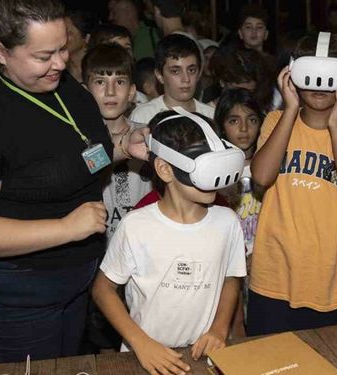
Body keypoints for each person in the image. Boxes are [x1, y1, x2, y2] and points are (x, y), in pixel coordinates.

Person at [0, 0, 148, 363]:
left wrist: (122, 147)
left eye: (63, 48)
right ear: (0, 51)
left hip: (71, 280)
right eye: (44, 55)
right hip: (11, 293)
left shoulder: (63, 87)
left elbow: (78, 155)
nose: (61, 63)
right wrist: (66, 228)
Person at [92, 110, 246, 375]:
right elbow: (103, 290)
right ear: (164, 169)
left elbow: (231, 277)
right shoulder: (136, 226)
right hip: (145, 356)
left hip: (201, 354)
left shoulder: (228, 222)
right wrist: (140, 343)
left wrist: (219, 329)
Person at [248, 33, 337, 334]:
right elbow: (262, 176)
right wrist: (290, 110)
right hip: (272, 276)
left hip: (326, 279)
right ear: (292, 74)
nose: (319, 85)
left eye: (329, 75)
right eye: (310, 74)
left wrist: (336, 128)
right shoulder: (274, 122)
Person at [82, 44, 152, 238]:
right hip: (95, 245)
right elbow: (86, 164)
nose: (110, 91)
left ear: (131, 92)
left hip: (144, 241)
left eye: (119, 82)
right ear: (85, 91)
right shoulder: (77, 139)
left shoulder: (147, 133)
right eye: (100, 82)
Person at [213, 88, 265, 337]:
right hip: (225, 260)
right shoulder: (214, 170)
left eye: (252, 120)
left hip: (263, 256)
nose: (244, 129)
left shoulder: (268, 164)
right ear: (222, 127)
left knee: (258, 324)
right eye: (234, 120)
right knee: (231, 326)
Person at [130, 33, 214, 125]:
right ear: (159, 75)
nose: (186, 79)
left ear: (199, 72)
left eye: (191, 70)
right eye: (175, 71)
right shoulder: (144, 116)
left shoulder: (210, 115)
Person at [64, 10, 99, 82]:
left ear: (87, 37)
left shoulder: (99, 70)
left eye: (69, 33)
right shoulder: (58, 71)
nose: (62, 37)